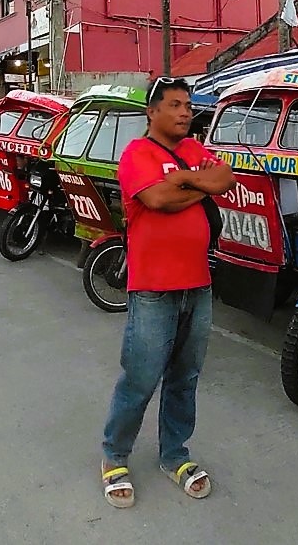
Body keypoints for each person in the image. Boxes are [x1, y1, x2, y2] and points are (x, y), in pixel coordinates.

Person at [99, 77, 235, 509]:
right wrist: (197, 183)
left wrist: (185, 181)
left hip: (199, 286)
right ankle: (114, 455)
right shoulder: (136, 154)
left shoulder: (194, 150)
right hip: (154, 290)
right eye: (175, 105)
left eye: (188, 106)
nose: (184, 113)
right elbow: (155, 199)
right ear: (151, 112)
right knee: (140, 379)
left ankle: (174, 454)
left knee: (185, 378)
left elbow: (226, 177)